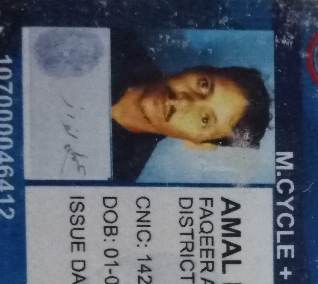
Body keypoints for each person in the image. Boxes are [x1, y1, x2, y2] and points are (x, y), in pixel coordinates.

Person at [108, 29, 272, 181]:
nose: (184, 102)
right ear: (199, 68)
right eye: (204, 85)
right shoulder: (113, 39)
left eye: (204, 119)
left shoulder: (116, 175)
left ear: (198, 143)